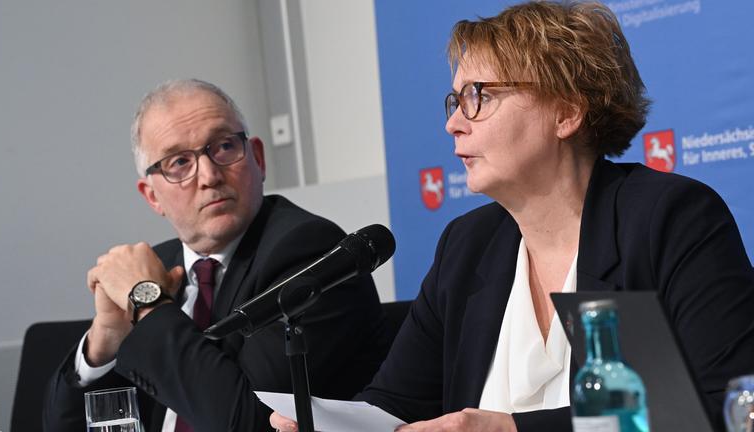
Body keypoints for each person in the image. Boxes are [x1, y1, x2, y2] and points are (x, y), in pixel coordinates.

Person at [271, 1, 754, 431]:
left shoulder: (664, 220)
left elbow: (724, 407)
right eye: (455, 100)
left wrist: (513, 430)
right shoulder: (467, 245)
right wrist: (333, 426)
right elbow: (395, 403)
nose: (453, 123)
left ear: (566, 113)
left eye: (478, 95)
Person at [43, 79, 389, 431]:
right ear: (152, 196)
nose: (209, 175)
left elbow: (244, 421)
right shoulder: (159, 267)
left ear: (257, 157)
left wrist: (147, 305)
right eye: (179, 162)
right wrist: (103, 344)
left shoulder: (310, 251)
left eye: (223, 146)